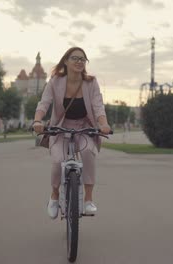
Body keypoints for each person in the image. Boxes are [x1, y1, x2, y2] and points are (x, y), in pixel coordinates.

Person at [32, 47, 111, 219]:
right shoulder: (55, 81)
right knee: (58, 160)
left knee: (88, 152)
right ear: (66, 61)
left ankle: (88, 200)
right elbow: (44, 103)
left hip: (84, 127)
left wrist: (103, 124)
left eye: (83, 59)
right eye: (75, 58)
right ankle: (54, 196)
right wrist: (37, 121)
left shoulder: (91, 83)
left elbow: (98, 107)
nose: (79, 62)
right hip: (60, 128)